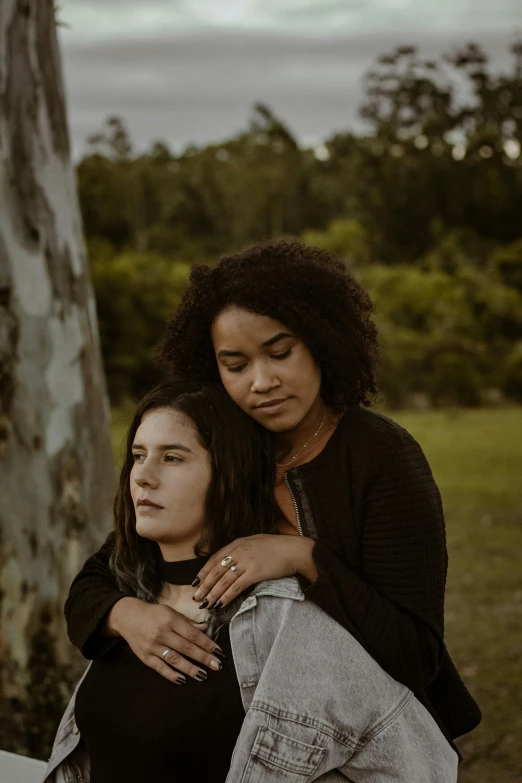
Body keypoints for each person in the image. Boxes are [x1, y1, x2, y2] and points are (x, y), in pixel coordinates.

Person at [64, 240, 480, 754]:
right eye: (235, 365)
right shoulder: (226, 446)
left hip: (369, 743)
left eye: (280, 353)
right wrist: (127, 615)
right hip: (258, 738)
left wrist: (301, 556)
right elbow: (101, 576)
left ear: (323, 341)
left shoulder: (382, 456)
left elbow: (416, 655)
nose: (262, 382)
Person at [45, 379, 458, 783]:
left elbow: (417, 760)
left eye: (173, 458)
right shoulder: (126, 589)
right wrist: (122, 614)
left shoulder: (287, 623)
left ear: (228, 476)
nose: (143, 477)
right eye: (138, 455)